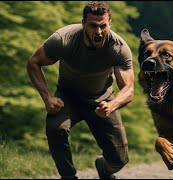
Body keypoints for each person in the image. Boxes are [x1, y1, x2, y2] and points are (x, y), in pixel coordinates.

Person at [26, 1, 134, 179]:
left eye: (103, 26)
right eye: (93, 26)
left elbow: (128, 89)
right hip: (68, 96)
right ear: (83, 23)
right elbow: (33, 63)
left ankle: (104, 168)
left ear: (110, 23)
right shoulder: (64, 39)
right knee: (55, 128)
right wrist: (47, 98)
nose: (98, 31)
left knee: (119, 159)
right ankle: (68, 176)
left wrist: (112, 105)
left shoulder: (118, 47)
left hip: (102, 101)